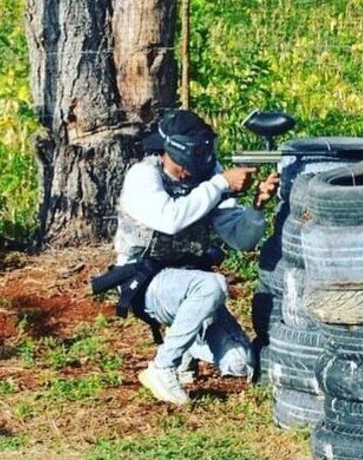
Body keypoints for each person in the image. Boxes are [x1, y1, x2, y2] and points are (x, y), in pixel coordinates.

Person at [112, 109, 279, 405]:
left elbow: (241, 240)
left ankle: (186, 348)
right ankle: (163, 367)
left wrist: (256, 208)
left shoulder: (208, 176)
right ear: (165, 153)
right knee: (212, 286)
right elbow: (170, 219)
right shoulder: (143, 176)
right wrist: (219, 185)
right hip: (143, 282)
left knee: (240, 364)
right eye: (180, 167)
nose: (186, 174)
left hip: (189, 284)